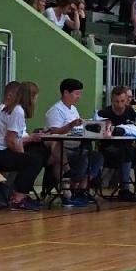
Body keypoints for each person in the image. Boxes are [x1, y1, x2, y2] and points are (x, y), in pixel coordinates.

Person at [0, 80, 47, 211]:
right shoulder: (18, 111)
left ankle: (18, 193)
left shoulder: (13, 108)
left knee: (36, 154)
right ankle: (18, 197)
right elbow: (10, 140)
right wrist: (22, 156)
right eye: (35, 98)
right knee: (33, 161)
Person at [44, 77, 95, 208]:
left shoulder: (73, 109)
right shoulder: (56, 110)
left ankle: (81, 189)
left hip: (76, 144)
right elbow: (54, 132)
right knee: (58, 151)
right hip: (62, 147)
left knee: (96, 157)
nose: (79, 97)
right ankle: (67, 191)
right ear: (66, 93)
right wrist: (71, 125)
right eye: (77, 93)